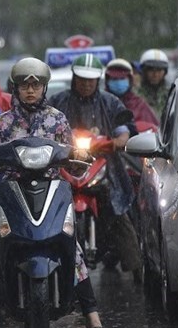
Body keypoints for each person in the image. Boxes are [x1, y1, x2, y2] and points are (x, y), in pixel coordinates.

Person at [0, 58, 111, 328]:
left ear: (44, 87)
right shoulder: (2, 122)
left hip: (51, 190)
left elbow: (74, 163)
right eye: (24, 85)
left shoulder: (57, 119)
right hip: (12, 192)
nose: (30, 90)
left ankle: (93, 318)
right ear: (16, 88)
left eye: (35, 85)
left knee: (71, 245)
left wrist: (81, 157)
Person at [50, 53, 142, 280]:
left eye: (91, 80)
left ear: (98, 80)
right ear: (74, 78)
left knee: (119, 210)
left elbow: (123, 129)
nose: (86, 84)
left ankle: (139, 267)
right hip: (65, 167)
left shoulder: (110, 102)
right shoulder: (57, 102)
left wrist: (119, 140)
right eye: (82, 79)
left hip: (104, 166)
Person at [104, 59, 159, 127]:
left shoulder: (139, 104)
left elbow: (153, 129)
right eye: (114, 79)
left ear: (130, 80)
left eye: (122, 78)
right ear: (107, 81)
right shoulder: (101, 102)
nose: (118, 82)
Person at [134, 48, 171, 118]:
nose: (155, 74)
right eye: (151, 70)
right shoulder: (135, 94)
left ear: (165, 72)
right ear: (144, 71)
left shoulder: (172, 93)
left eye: (159, 70)